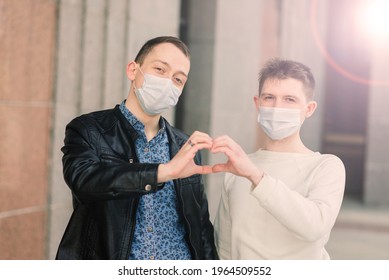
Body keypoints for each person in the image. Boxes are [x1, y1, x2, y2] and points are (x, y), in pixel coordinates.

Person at [56, 36, 218, 260]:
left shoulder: (184, 145)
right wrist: (163, 172)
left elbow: (200, 228)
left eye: (178, 80)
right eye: (160, 69)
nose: (168, 82)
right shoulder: (89, 129)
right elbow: (84, 180)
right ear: (133, 70)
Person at [212, 58, 346, 260]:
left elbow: (314, 227)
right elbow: (224, 248)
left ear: (309, 109)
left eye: (289, 100)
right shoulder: (237, 169)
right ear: (258, 103)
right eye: (269, 98)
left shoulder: (325, 166)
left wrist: (255, 176)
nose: (277, 107)